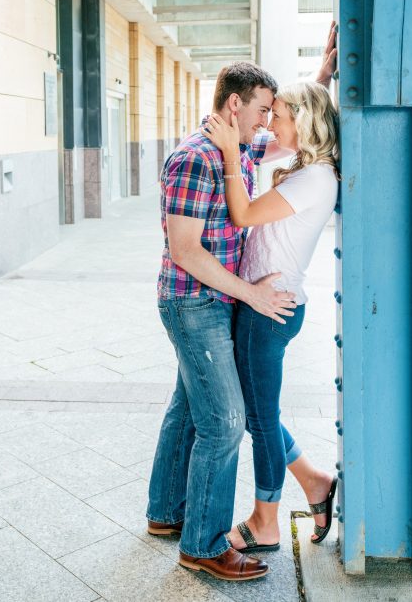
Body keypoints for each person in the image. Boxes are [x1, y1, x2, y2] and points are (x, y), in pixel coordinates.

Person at [145, 61, 297, 582]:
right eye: (260, 110)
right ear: (235, 105)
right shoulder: (193, 159)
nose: (266, 122)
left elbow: (289, 129)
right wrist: (252, 295)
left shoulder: (233, 149)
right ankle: (204, 545)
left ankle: (166, 513)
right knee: (225, 423)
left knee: (188, 408)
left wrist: (324, 69)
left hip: (213, 302)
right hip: (194, 305)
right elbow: (186, 251)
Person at [203, 80, 340, 552]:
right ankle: (314, 480)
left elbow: (240, 215)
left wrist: (226, 154)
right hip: (264, 305)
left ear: (301, 122)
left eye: (277, 115)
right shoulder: (308, 168)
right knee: (256, 413)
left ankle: (266, 522)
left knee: (260, 420)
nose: (269, 124)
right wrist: (322, 70)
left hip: (269, 311)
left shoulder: (315, 177)